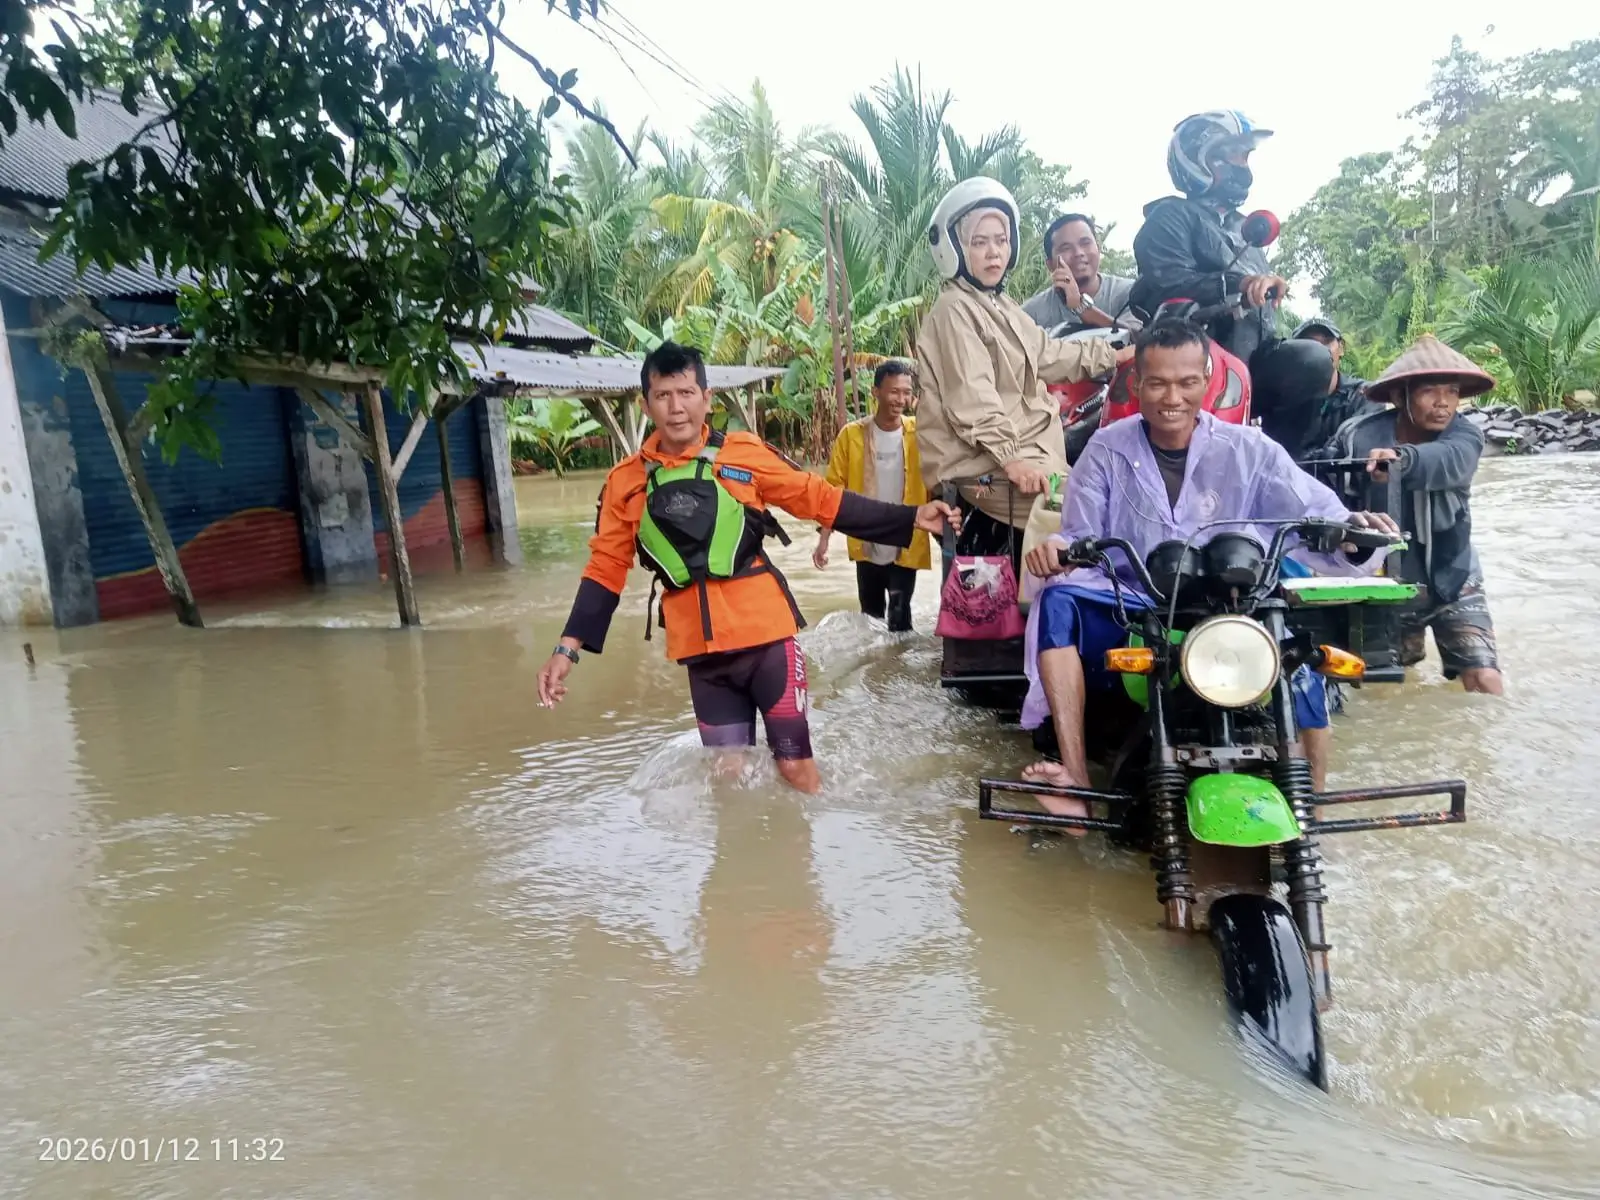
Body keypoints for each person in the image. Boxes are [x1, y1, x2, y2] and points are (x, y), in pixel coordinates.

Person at [536, 341, 962, 793]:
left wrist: (910, 517)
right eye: (663, 396)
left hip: (768, 644)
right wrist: (567, 649)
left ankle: (809, 855)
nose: (676, 408)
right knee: (728, 779)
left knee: (796, 770)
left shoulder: (742, 454)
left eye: (685, 393)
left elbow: (819, 499)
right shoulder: (626, 481)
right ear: (646, 403)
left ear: (706, 397)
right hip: (702, 655)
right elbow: (606, 567)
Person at [1017, 320, 1400, 817]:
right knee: (1056, 601)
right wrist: (1056, 550)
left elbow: (1316, 510)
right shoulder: (1106, 448)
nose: (1171, 397)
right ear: (1137, 386)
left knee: (1297, 658)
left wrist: (1353, 530)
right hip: (1138, 599)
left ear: (1208, 381)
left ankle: (1314, 803)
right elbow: (1078, 531)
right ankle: (1075, 777)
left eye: (1186, 382)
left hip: (1234, 600)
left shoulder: (1250, 449)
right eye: (1157, 383)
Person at [915, 177, 1135, 569]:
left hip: (1029, 451)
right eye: (980, 242)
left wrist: (1119, 355)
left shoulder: (1002, 306)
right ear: (955, 249)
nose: (993, 252)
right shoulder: (954, 310)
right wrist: (1011, 459)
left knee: (1107, 492)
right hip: (981, 467)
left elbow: (1052, 354)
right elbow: (972, 397)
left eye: (1000, 240)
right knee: (1088, 510)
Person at [1324, 335, 1504, 695]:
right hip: (1381, 580)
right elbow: (1326, 486)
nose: (1443, 403)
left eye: (1452, 392)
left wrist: (1400, 460)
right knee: (1378, 687)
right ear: (1399, 396)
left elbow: (1447, 462)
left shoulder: (1465, 436)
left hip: (1453, 575)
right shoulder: (1357, 435)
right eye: (1430, 392)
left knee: (1485, 679)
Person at [1129, 110, 1290, 365]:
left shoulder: (1243, 226)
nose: (1242, 166)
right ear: (1200, 160)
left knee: (1311, 361)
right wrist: (1241, 284)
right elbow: (1169, 283)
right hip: (1195, 359)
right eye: (1233, 155)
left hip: (1256, 358)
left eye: (1245, 156)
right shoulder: (1170, 215)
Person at [813, 360, 931, 632]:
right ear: (875, 392)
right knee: (871, 619)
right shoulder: (851, 436)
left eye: (906, 392)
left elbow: (937, 481)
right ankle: (874, 671)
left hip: (906, 541)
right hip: (867, 542)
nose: (901, 399)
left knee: (901, 621)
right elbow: (832, 491)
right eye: (894, 392)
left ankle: (896, 670)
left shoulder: (920, 433)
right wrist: (823, 541)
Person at [1021, 213, 1142, 335]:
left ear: (1098, 249)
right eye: (1066, 248)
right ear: (1051, 265)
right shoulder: (1030, 314)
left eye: (1085, 243)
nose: (1078, 253)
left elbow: (1141, 341)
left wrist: (1080, 306)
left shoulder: (1132, 294)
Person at [1289, 317, 1381, 462]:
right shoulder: (1284, 401)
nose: (1320, 350)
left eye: (1326, 342)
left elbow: (1366, 442)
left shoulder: (1364, 394)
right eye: (1309, 344)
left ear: (1341, 348)